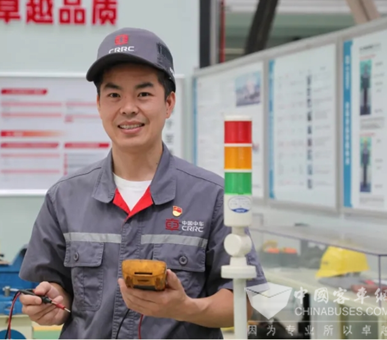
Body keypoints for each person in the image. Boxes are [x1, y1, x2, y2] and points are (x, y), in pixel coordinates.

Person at [18, 27, 267, 339]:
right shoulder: (64, 197)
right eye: (114, 95)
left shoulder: (212, 197)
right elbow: (54, 288)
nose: (128, 108)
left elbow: (244, 302)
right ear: (99, 104)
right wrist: (53, 301)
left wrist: (185, 307)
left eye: (143, 94)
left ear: (169, 103)